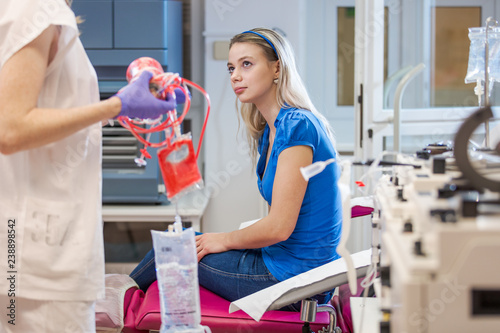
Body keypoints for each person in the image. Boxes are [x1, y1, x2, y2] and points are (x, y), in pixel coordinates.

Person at [130, 27, 342, 311]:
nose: (235, 76)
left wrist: (225, 240)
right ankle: (122, 305)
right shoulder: (272, 129)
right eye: (231, 67)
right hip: (285, 265)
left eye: (247, 64)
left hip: (293, 280)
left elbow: (279, 227)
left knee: (169, 249)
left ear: (276, 68)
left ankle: (116, 311)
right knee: (183, 241)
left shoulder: (297, 126)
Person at [0, 1, 176, 332]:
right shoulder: (35, 8)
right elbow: (10, 129)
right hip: (41, 259)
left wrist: (115, 109)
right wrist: (116, 105)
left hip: (27, 252)